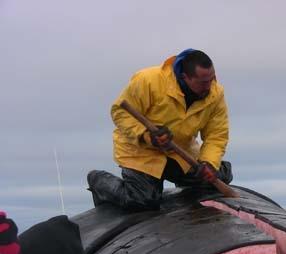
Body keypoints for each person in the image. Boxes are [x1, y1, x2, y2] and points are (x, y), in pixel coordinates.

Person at [87, 49, 233, 211]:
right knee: (142, 200)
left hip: (181, 153)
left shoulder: (215, 94)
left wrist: (209, 163)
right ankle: (98, 179)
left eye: (212, 79)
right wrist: (146, 135)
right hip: (142, 152)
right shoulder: (148, 80)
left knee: (220, 176)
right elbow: (120, 113)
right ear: (185, 77)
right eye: (203, 82)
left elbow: (216, 134)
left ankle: (200, 174)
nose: (210, 86)